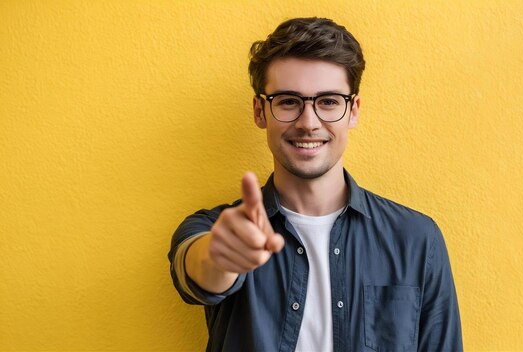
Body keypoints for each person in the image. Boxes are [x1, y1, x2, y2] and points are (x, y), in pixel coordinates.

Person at [168, 17, 463, 352]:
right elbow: (197, 270)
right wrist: (220, 259)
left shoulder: (417, 240)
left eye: (328, 102)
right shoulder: (215, 228)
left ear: (353, 111)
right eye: (288, 101)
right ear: (260, 111)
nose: (308, 123)